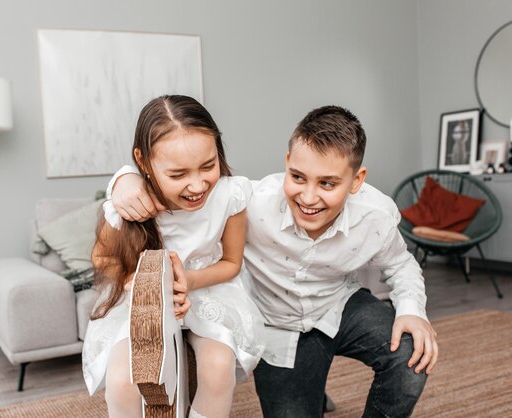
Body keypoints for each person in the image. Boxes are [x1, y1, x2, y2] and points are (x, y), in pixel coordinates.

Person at [107, 105, 439, 417]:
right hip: (278, 327)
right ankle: (310, 383)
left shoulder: (375, 217)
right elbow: (195, 190)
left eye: (327, 183)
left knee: (411, 354)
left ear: (356, 181)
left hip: (338, 308)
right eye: (297, 177)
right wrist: (126, 179)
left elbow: (401, 263)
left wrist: (413, 310)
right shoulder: (252, 202)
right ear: (287, 162)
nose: (308, 198)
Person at [81, 95, 265, 418]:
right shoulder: (129, 205)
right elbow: (101, 259)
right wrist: (135, 283)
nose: (197, 185)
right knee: (123, 377)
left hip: (207, 288)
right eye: (178, 174)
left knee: (218, 366)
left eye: (208, 166)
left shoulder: (230, 196)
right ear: (143, 161)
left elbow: (232, 263)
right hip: (142, 300)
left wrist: (189, 281)